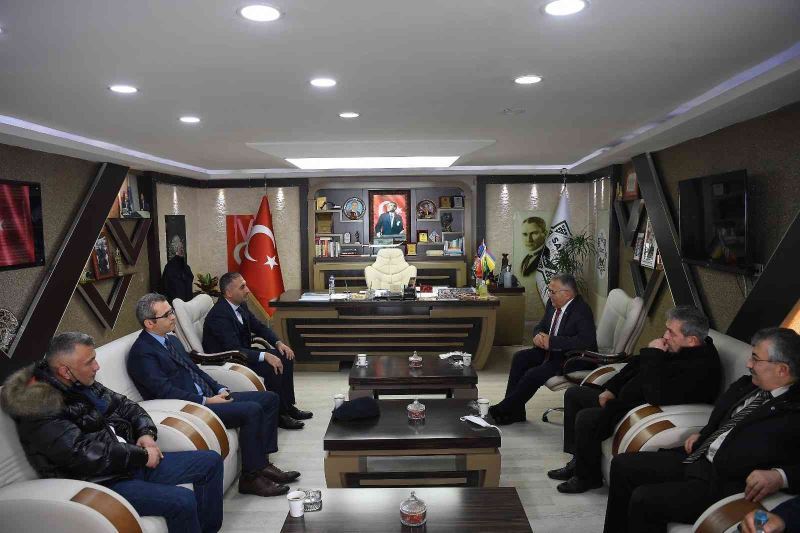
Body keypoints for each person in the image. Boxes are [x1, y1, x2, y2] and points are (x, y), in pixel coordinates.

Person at [0, 332, 224, 533]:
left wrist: (146, 434)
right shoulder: (39, 406)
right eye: (90, 362)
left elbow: (127, 406)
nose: (97, 366)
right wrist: (141, 456)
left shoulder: (80, 381)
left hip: (128, 460)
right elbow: (82, 455)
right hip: (100, 480)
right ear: (65, 371)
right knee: (182, 501)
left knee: (210, 462)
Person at [603, 327, 800, 533]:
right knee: (622, 465)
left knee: (645, 499)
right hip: (698, 456)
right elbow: (723, 418)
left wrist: (780, 476)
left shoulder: (795, 411)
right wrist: (704, 433)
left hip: (723, 481)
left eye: (755, 359)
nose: (748, 364)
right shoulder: (749, 386)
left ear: (782, 370)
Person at [128, 293, 298, 497]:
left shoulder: (170, 340)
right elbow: (164, 392)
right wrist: (206, 400)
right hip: (193, 408)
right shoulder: (142, 353)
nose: (173, 317)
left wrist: (218, 388)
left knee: (270, 399)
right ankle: (251, 478)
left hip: (210, 396)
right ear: (149, 323)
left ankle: (262, 464)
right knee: (252, 410)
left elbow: (196, 370)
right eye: (166, 315)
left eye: (172, 311)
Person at [548, 306, 722, 493]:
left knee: (586, 418)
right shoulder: (681, 348)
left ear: (692, 340)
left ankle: (587, 478)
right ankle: (577, 461)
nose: (665, 336)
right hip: (627, 396)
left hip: (643, 406)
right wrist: (611, 389)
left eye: (671, 332)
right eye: (666, 329)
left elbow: (656, 394)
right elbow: (634, 366)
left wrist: (654, 355)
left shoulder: (701, 368)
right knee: (574, 394)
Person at [203, 272, 311, 430]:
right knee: (271, 366)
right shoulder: (219, 316)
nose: (247, 290)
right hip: (229, 360)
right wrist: (264, 355)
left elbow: (259, 327)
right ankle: (279, 415)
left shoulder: (241, 305)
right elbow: (233, 348)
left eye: (245, 285)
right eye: (242, 287)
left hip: (242, 353)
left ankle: (288, 406)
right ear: (229, 293)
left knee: (284, 356)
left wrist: (278, 343)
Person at [489, 273, 597, 425]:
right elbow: (541, 326)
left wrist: (551, 341)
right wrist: (537, 335)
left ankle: (503, 409)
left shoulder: (582, 310)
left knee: (533, 374)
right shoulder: (552, 305)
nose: (549, 295)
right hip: (551, 352)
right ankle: (516, 412)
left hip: (571, 358)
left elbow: (585, 341)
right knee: (520, 358)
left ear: (567, 294)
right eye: (549, 290)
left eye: (552, 291)